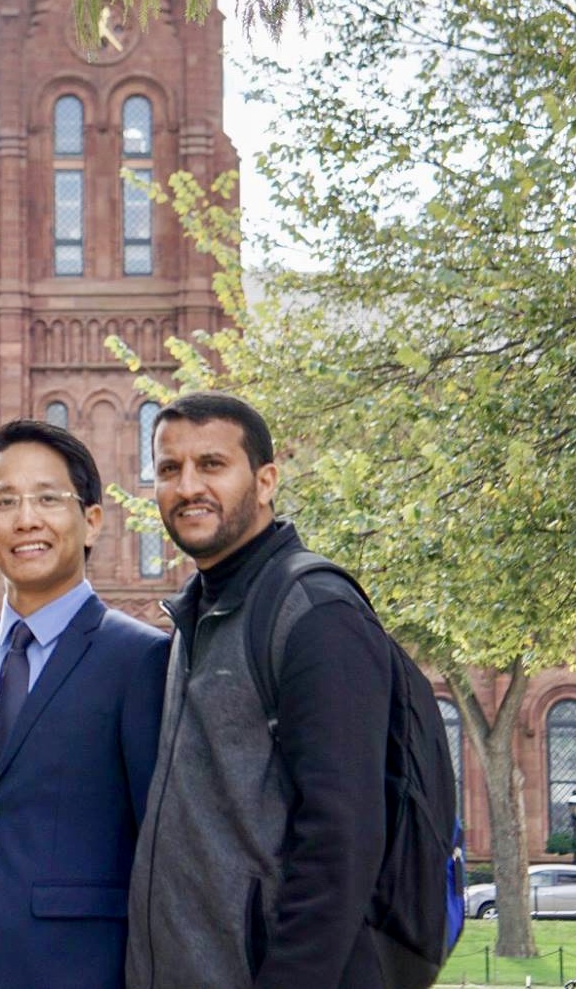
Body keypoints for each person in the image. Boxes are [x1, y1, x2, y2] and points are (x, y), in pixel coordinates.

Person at [125, 391, 395, 989]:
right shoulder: (197, 616)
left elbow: (342, 843)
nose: (187, 485)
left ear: (266, 479)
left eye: (212, 464)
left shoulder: (316, 612)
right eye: (169, 469)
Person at [0, 419, 168, 989]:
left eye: (47, 499)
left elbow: (163, 849)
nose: (25, 519)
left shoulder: (142, 661)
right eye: (5, 502)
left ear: (91, 521)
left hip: (86, 970)